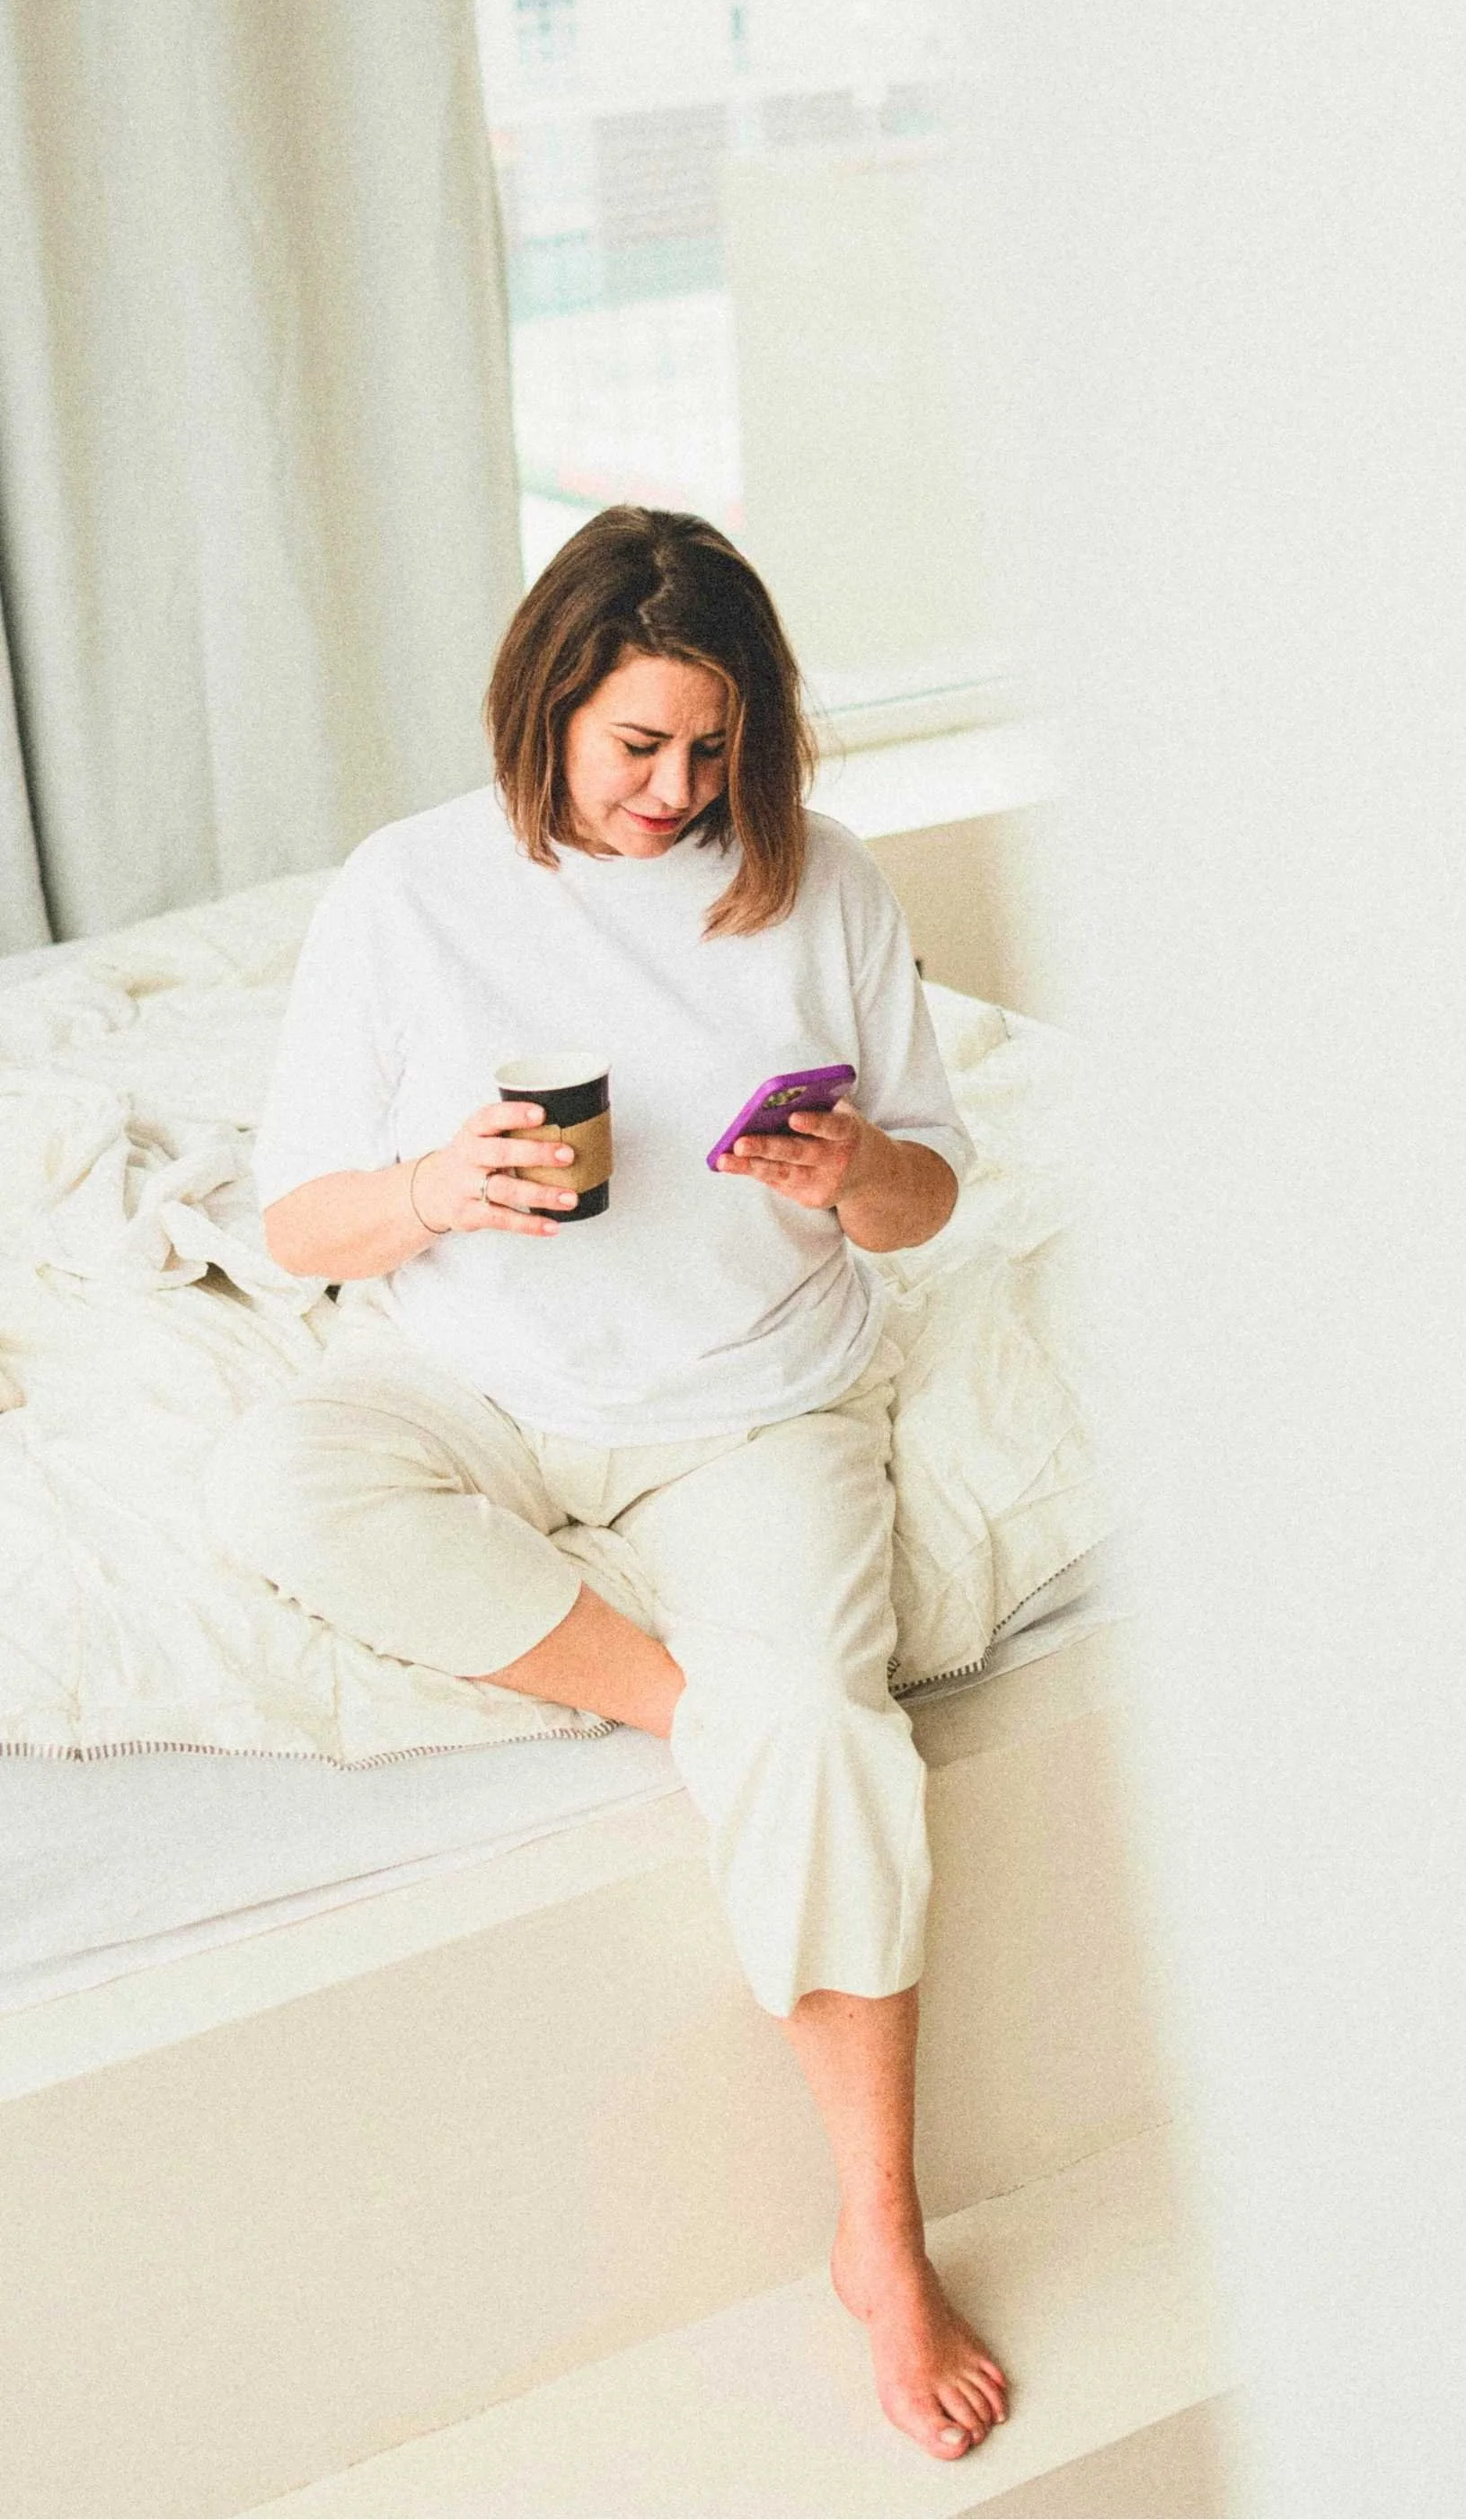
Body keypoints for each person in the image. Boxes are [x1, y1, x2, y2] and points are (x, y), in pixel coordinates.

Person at [202, 505, 1010, 2462]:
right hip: (474, 1371)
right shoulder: (409, 894)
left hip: (750, 1404)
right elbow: (298, 1215)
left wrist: (849, 1178)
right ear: (550, 705)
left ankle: (879, 2236)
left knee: (828, 1718)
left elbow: (932, 1189)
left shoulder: (816, 887)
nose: (679, 791)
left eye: (715, 748)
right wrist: (427, 1190)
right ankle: (682, 1703)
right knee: (279, 1489)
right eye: (640, 746)